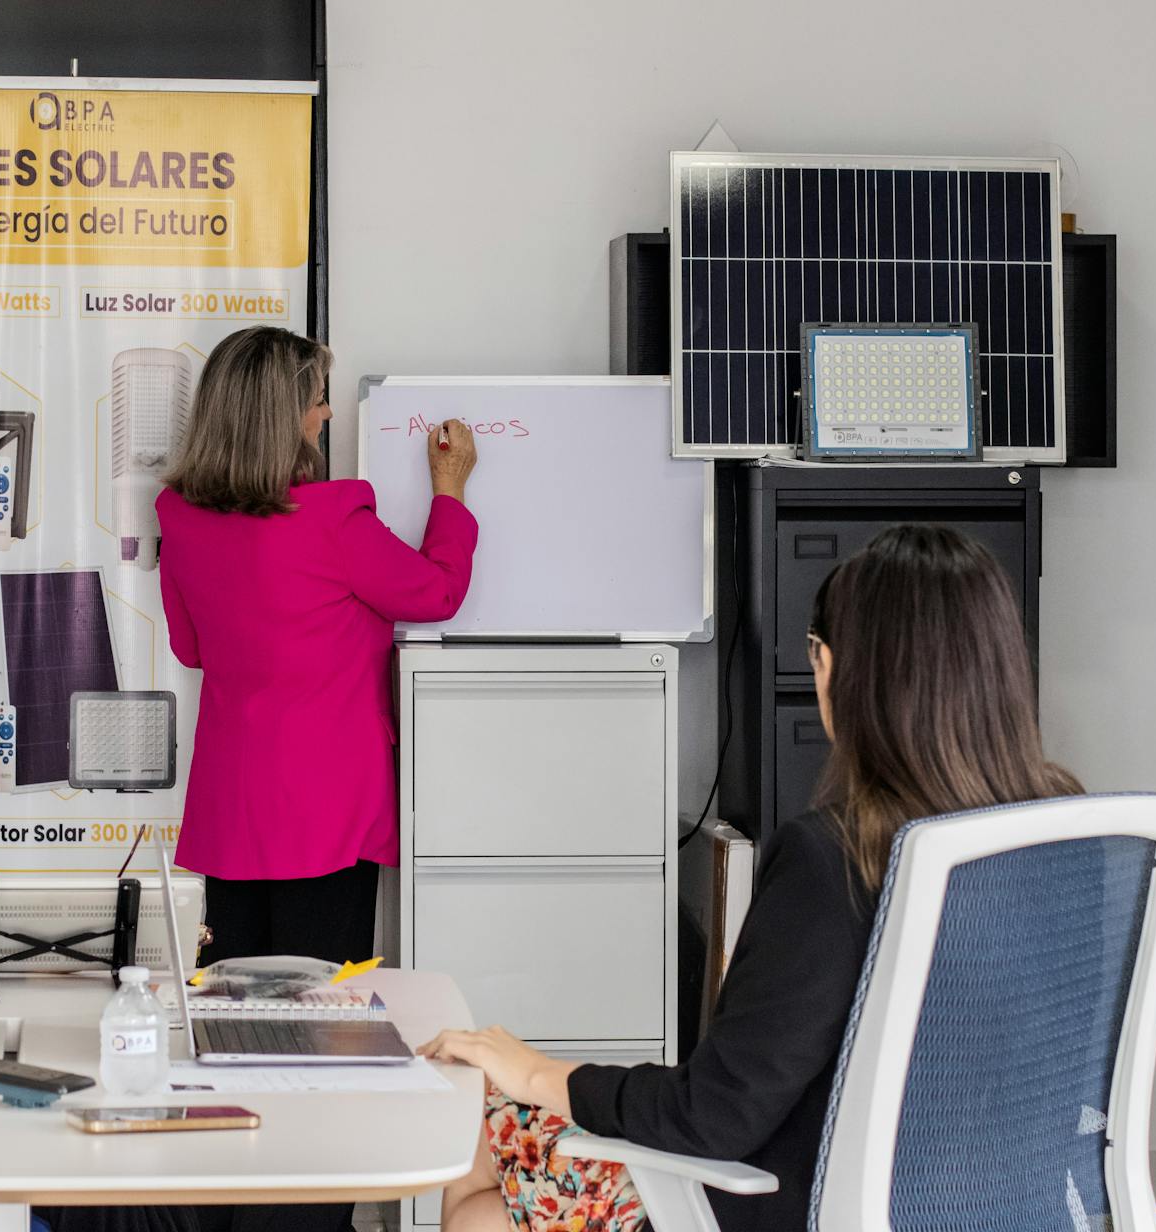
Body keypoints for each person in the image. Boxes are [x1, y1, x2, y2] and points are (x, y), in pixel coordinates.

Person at [420, 523, 1082, 1232]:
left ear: (828, 666)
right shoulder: (1067, 837)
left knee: (479, 1167)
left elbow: (713, 1117)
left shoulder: (835, 858)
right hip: (1007, 1204)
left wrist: (532, 1071)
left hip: (807, 1202)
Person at [157, 325, 480, 970]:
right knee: (325, 1013)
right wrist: (449, 490)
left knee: (230, 1009)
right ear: (281, 416)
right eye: (315, 397)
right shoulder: (333, 521)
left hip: (232, 811)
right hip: (327, 811)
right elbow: (437, 593)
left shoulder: (179, 515)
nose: (327, 411)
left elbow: (190, 649)